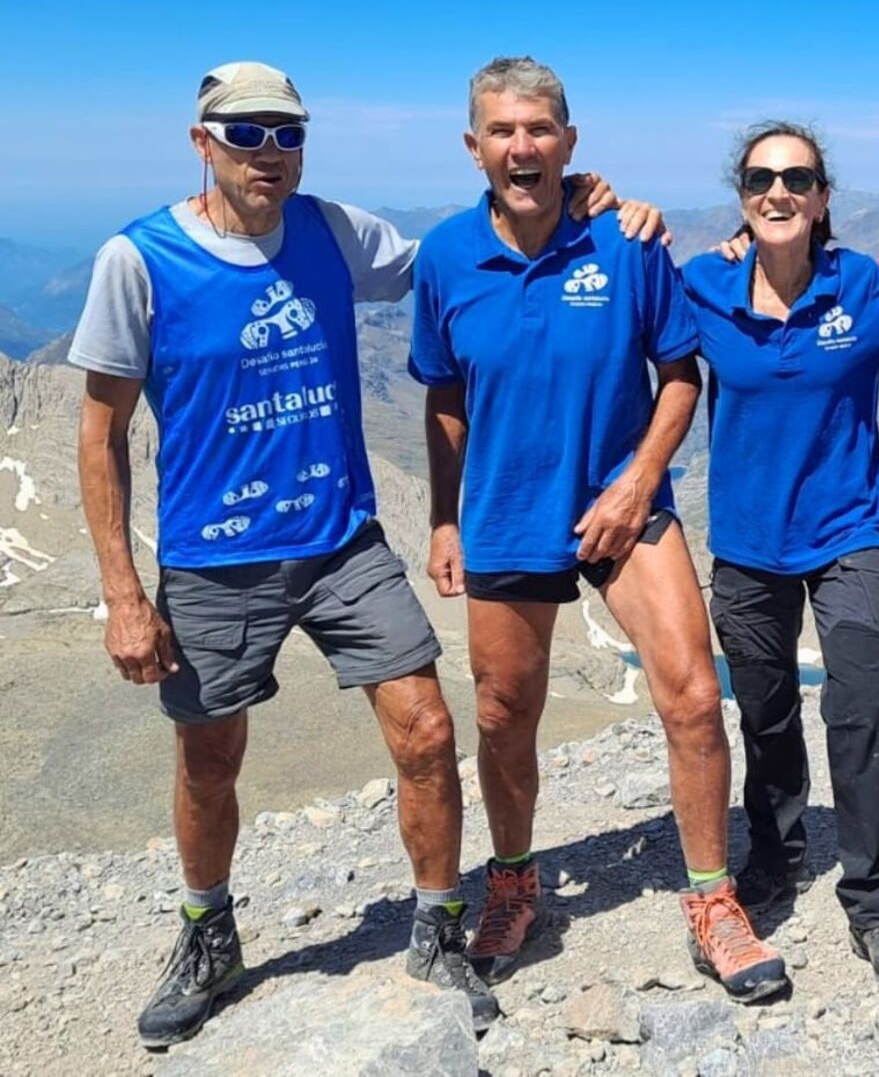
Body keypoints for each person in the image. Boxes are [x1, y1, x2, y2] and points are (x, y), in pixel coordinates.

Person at [71, 61, 652, 1044]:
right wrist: (126, 595)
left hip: (343, 539)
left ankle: (436, 931)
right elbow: (99, 434)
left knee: (426, 731)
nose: (269, 153)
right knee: (211, 757)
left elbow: (467, 255)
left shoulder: (333, 232)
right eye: (245, 133)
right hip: (217, 560)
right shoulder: (140, 260)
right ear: (200, 139)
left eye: (287, 133)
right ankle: (208, 931)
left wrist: (584, 204)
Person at [409, 56, 788, 1004]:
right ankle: (513, 880)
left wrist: (638, 483)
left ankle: (711, 899)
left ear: (569, 142)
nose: (521, 146)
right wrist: (444, 518)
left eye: (539, 129)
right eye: (502, 131)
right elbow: (445, 399)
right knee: (502, 713)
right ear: (474, 148)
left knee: (697, 697)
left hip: (624, 502)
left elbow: (679, 373)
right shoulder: (447, 257)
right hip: (503, 509)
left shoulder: (626, 241)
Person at [680, 122, 879, 985]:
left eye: (797, 178)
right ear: (742, 197)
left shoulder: (866, 288)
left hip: (850, 533)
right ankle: (775, 861)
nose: (777, 192)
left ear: (822, 198)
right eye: (759, 179)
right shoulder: (702, 285)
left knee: (859, 714)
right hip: (748, 543)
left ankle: (873, 900)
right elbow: (617, 330)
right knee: (766, 715)